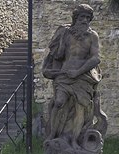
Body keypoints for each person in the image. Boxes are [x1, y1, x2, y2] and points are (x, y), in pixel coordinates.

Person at [41, 4, 107, 145]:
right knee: (58, 102)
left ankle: (75, 141)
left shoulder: (92, 36)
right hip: (64, 75)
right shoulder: (65, 33)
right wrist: (60, 46)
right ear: (75, 18)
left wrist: (78, 72)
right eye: (82, 17)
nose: (85, 21)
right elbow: (57, 55)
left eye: (88, 18)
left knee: (80, 109)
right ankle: (52, 134)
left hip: (83, 76)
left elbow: (96, 58)